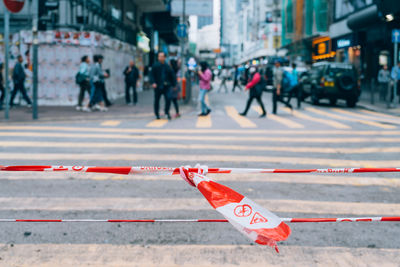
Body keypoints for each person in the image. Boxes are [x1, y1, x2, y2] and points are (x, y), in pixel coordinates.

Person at [150, 51, 176, 120]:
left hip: (166, 86)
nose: (160, 58)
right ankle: (157, 114)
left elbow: (172, 75)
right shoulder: (155, 66)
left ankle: (166, 112)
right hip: (158, 86)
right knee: (157, 100)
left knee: (168, 98)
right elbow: (151, 75)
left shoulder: (167, 66)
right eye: (159, 56)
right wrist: (153, 83)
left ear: (164, 57)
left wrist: (174, 85)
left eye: (162, 56)